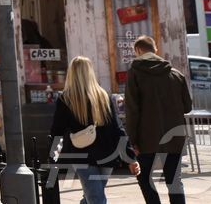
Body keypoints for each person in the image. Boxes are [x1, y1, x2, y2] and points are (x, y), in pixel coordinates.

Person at [49, 56, 137, 204]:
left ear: (71, 74)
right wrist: (130, 157)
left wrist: (53, 153)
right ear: (90, 72)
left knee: (94, 197)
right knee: (95, 196)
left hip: (81, 154)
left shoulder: (66, 99)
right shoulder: (102, 96)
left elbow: (57, 130)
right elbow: (117, 129)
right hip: (107, 153)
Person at [124, 35, 192, 204]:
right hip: (174, 136)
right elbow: (187, 107)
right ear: (155, 49)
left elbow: (132, 110)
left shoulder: (135, 73)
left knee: (144, 177)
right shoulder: (176, 74)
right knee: (174, 181)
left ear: (138, 50)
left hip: (146, 138)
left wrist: (132, 141)